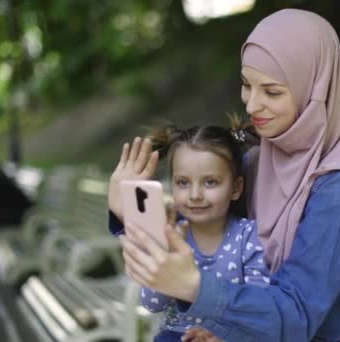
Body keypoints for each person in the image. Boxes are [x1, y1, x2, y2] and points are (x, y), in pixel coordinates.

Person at [109, 9, 340, 342]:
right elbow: (203, 226)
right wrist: (129, 209)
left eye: (272, 92)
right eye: (247, 85)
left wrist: (193, 286)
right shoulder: (260, 160)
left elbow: (299, 313)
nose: (251, 104)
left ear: (315, 89)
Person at [109, 124, 271, 342]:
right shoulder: (171, 233)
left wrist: (229, 333)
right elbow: (152, 303)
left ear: (235, 188)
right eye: (183, 183)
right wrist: (159, 251)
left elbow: (258, 303)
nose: (195, 195)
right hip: (176, 336)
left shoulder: (248, 237)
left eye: (210, 182)